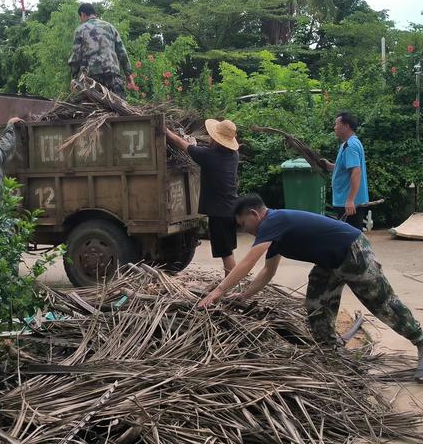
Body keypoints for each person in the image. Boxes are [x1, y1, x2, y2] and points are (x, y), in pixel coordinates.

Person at [198, 194, 423, 381]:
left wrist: (218, 291)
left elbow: (248, 262)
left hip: (353, 252)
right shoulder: (274, 230)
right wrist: (245, 295)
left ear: (254, 215)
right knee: (316, 307)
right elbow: (268, 271)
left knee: (383, 304)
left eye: (243, 224)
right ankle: (333, 359)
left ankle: (420, 340)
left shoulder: (272, 222)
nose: (245, 230)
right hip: (328, 263)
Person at [166, 119, 239, 276]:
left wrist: (166, 131)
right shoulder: (233, 155)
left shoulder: (209, 156)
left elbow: (180, 143)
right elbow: (199, 150)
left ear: (216, 139)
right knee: (228, 251)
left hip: (220, 212)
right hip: (230, 209)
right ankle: (230, 284)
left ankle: (230, 286)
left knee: (226, 253)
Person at [68, 3, 137, 98]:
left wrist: (74, 77)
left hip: (91, 77)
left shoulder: (81, 30)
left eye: (80, 17)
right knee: (119, 107)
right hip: (113, 75)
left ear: (83, 14)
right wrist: (128, 75)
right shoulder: (110, 27)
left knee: (92, 108)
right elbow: (122, 53)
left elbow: (76, 57)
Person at [322, 112, 369, 230]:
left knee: (350, 240)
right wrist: (328, 165)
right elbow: (344, 169)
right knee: (349, 240)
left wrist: (350, 200)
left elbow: (356, 171)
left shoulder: (350, 146)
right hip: (346, 201)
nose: (334, 127)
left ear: (346, 126)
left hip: (348, 203)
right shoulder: (349, 144)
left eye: (337, 124)